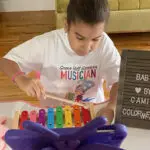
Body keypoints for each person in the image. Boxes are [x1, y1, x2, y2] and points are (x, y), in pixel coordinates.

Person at [0, 0, 120, 124]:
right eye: (79, 38)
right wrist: (22, 79)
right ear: (66, 25)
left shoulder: (105, 44)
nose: (87, 47)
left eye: (95, 39)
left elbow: (119, 79)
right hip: (54, 117)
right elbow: (6, 61)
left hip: (92, 113)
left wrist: (111, 107)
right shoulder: (48, 43)